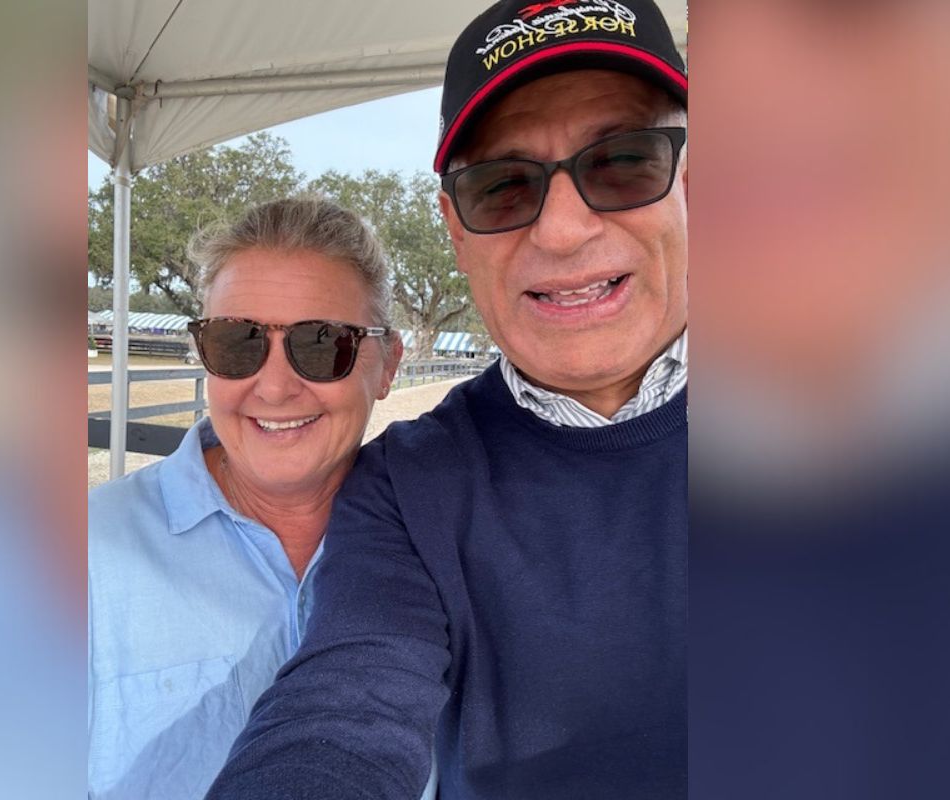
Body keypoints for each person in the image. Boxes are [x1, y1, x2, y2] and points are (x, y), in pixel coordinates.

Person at [205, 1, 687, 798]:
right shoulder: (407, 486)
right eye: (502, 186)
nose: (562, 230)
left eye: (624, 161)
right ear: (456, 231)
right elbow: (342, 713)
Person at [88, 198, 404, 798]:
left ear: (387, 364)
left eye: (323, 343)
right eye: (238, 343)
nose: (277, 386)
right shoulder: (72, 559)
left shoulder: (434, 538)